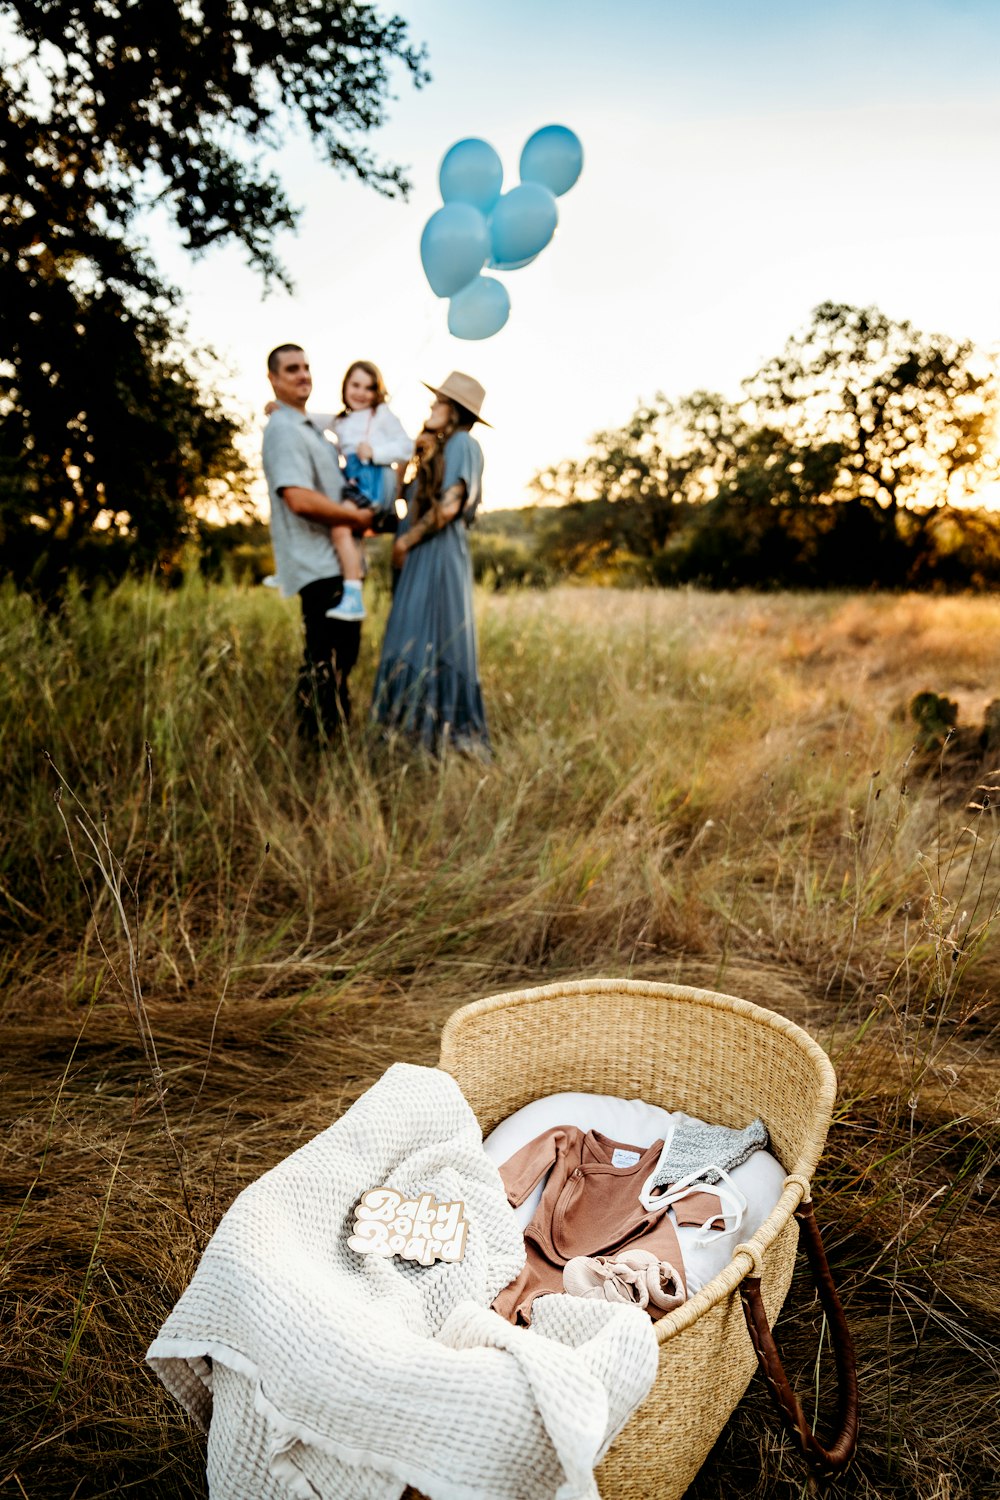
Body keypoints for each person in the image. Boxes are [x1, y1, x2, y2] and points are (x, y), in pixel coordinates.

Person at [371, 371, 491, 755]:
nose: (431, 406)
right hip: (421, 550)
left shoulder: (463, 444)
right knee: (409, 634)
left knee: (432, 637)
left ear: (454, 411)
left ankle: (439, 732)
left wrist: (407, 539)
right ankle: (405, 731)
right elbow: (402, 497)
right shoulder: (438, 447)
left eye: (438, 402)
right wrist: (414, 454)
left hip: (436, 551)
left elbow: (451, 505)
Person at [261, 343, 376, 738]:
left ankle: (336, 737)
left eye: (306, 367)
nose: (303, 374)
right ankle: (319, 746)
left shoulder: (310, 426)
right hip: (319, 567)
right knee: (323, 662)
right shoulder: (283, 430)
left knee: (342, 660)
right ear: (274, 379)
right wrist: (355, 516)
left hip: (339, 564)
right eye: (292, 369)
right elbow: (297, 497)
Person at [307, 360, 413, 623]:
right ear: (345, 387)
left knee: (341, 527)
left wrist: (376, 452)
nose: (360, 393)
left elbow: (406, 446)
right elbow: (310, 418)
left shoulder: (382, 415)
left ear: (378, 392)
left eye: (368, 388)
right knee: (333, 522)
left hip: (374, 480)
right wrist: (282, 410)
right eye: (355, 385)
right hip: (353, 480)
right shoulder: (341, 420)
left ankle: (353, 597)